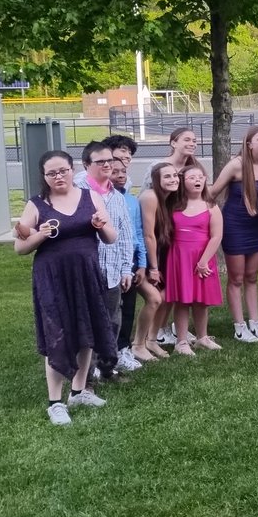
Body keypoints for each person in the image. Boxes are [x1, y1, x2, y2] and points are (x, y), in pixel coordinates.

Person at [15, 151, 117, 425]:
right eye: (52, 173)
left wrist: (100, 225)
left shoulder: (90, 197)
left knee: (87, 332)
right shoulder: (37, 205)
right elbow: (20, 247)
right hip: (52, 279)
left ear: (72, 171)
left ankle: (79, 391)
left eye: (63, 170)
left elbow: (110, 237)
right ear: (44, 177)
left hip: (85, 275)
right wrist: (40, 234)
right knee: (57, 335)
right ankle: (55, 402)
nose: (58, 176)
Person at [74, 141, 134, 381]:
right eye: (100, 162)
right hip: (84, 271)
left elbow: (125, 236)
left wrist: (125, 269)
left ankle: (107, 369)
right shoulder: (75, 191)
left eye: (110, 160)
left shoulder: (116, 195)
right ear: (86, 164)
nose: (107, 165)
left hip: (111, 272)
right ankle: (83, 379)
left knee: (111, 322)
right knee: (86, 325)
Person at [211, 126, 258, 343]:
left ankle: (255, 322)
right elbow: (212, 192)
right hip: (235, 225)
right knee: (237, 278)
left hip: (257, 225)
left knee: (252, 276)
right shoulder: (236, 165)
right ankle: (239, 326)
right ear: (249, 144)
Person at [105, 135, 162, 365]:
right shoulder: (96, 194)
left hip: (129, 263)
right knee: (109, 311)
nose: (121, 169)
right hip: (108, 262)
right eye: (120, 152)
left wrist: (141, 264)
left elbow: (137, 234)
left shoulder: (129, 198)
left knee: (127, 309)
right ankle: (105, 355)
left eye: (128, 155)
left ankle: (124, 350)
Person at [163, 164, 224, 353]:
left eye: (201, 177)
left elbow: (216, 236)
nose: (197, 180)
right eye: (192, 177)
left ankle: (202, 337)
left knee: (201, 300)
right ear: (183, 181)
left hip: (202, 257)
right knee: (182, 299)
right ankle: (181, 341)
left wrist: (204, 261)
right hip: (179, 257)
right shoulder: (173, 205)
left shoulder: (211, 206)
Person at [141, 162, 181, 350]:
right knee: (156, 297)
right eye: (167, 176)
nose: (173, 179)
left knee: (166, 296)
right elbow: (148, 235)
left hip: (164, 252)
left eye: (175, 175)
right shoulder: (150, 197)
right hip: (149, 255)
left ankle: (152, 339)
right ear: (155, 179)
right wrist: (154, 268)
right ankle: (142, 342)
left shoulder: (168, 198)